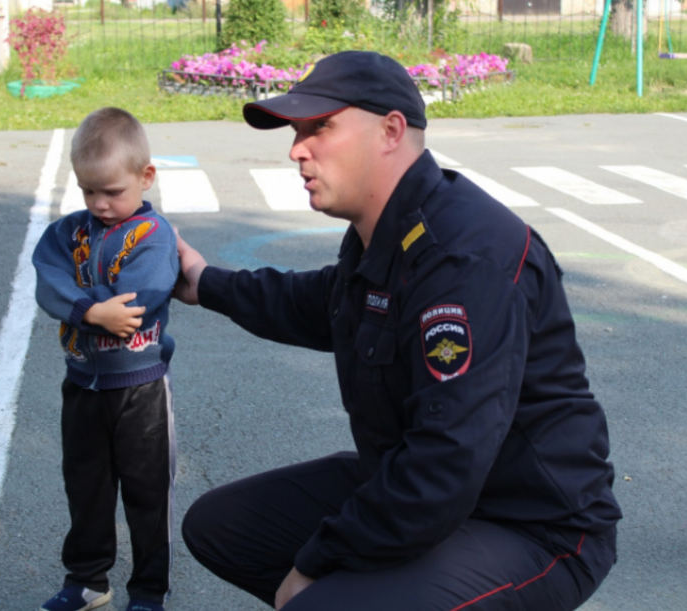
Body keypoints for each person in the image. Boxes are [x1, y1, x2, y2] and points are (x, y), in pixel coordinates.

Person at [174, 51, 622, 611]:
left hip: (531, 524)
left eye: (320, 127)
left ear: (390, 130)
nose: (296, 149)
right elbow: (320, 302)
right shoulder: (388, 231)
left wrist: (317, 564)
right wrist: (202, 281)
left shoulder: (463, 257)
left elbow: (445, 461)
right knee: (223, 527)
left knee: (318, 601)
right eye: (296, 131)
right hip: (438, 492)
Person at [32, 107, 179, 611]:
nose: (99, 204)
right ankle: (88, 580)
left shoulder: (154, 235)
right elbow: (47, 277)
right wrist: (91, 309)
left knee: (146, 493)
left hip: (139, 388)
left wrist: (85, 302)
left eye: (112, 192)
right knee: (85, 486)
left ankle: (148, 591)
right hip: (83, 385)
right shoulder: (69, 233)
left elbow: (136, 298)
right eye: (87, 191)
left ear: (145, 177)